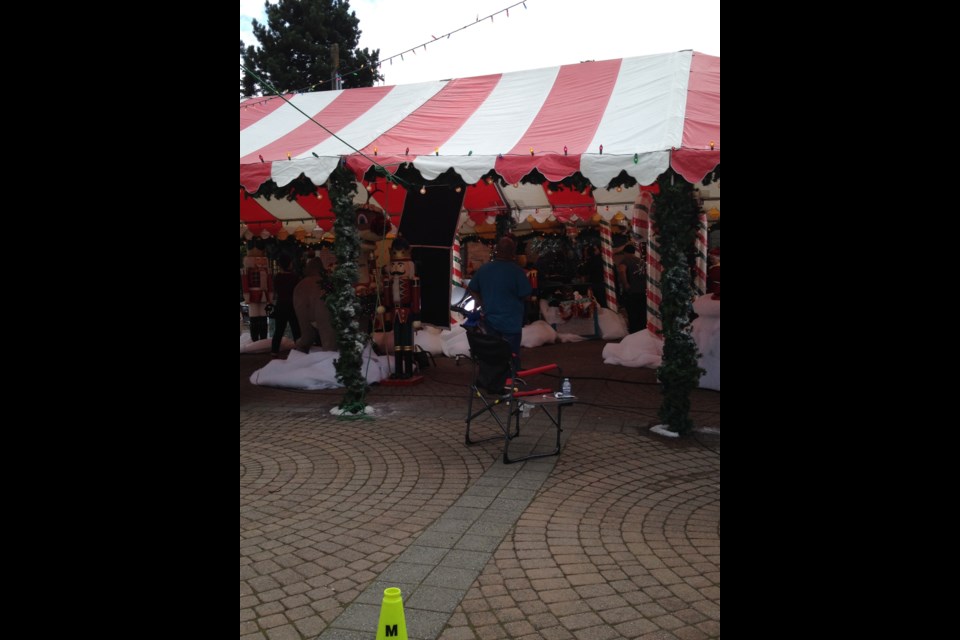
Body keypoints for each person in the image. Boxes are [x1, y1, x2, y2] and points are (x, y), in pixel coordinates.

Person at [468, 236, 532, 370]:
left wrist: (482, 303)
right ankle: (511, 377)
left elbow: (472, 289)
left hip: (490, 319)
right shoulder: (517, 271)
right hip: (511, 321)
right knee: (512, 354)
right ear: (512, 252)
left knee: (493, 353)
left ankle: (494, 379)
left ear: (497, 250)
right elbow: (526, 295)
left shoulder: (484, 269)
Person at [383, 236, 421, 379]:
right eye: (395, 264)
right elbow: (387, 299)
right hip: (395, 312)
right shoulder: (390, 281)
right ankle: (398, 370)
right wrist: (386, 313)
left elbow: (416, 298)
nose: (397, 268)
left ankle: (408, 371)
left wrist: (417, 316)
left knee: (407, 342)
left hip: (407, 312)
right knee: (397, 343)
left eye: (401, 264)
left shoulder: (413, 281)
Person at [293, 258, 338, 353]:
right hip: (324, 310)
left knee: (307, 336)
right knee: (329, 342)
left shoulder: (301, 285)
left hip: (311, 310)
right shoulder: (327, 282)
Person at [270, 254, 301, 357]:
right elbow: (297, 292)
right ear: (288, 264)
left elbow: (276, 291)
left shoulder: (277, 277)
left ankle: (274, 350)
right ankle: (300, 350)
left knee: (279, 330)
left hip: (280, 305)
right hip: (292, 305)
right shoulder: (294, 277)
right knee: (296, 329)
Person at [242, 239, 272, 342]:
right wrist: (247, 295)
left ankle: (262, 338)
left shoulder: (265, 269)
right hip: (253, 294)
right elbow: (245, 283)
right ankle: (255, 338)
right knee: (254, 316)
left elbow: (269, 283)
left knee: (262, 316)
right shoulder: (247, 270)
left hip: (262, 294)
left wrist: (269, 295)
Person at [617, 243, 647, 333]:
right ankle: (643, 330)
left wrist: (625, 283)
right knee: (642, 312)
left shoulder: (625, 261)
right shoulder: (641, 261)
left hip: (631, 291)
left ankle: (634, 331)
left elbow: (622, 271)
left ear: (625, 252)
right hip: (642, 290)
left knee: (632, 312)